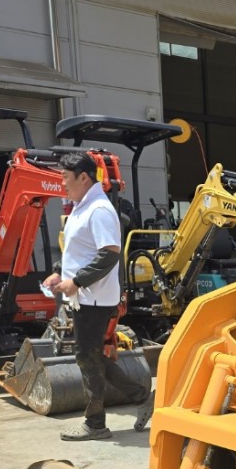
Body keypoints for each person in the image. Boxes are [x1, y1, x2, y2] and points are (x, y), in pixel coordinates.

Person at [45, 152, 152, 440]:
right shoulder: (82, 207)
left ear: (83, 177)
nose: (62, 184)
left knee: (86, 356)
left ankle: (95, 424)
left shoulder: (100, 210)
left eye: (65, 178)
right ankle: (142, 397)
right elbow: (79, 250)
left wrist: (77, 282)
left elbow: (109, 254)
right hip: (86, 296)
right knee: (90, 355)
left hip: (94, 297)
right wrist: (58, 272)